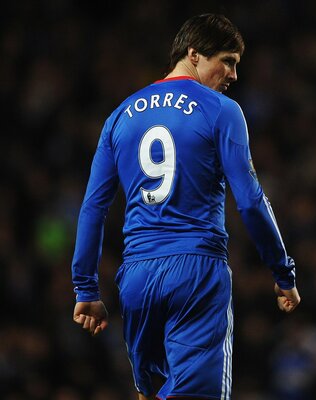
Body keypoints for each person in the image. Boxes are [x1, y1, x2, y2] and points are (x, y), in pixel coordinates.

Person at [70, 14, 300, 400]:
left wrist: (85, 288)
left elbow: (94, 206)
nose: (233, 75)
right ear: (193, 54)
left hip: (138, 279)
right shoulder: (222, 111)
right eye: (227, 60)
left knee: (152, 393)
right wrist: (283, 271)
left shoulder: (120, 117)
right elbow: (250, 200)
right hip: (196, 272)